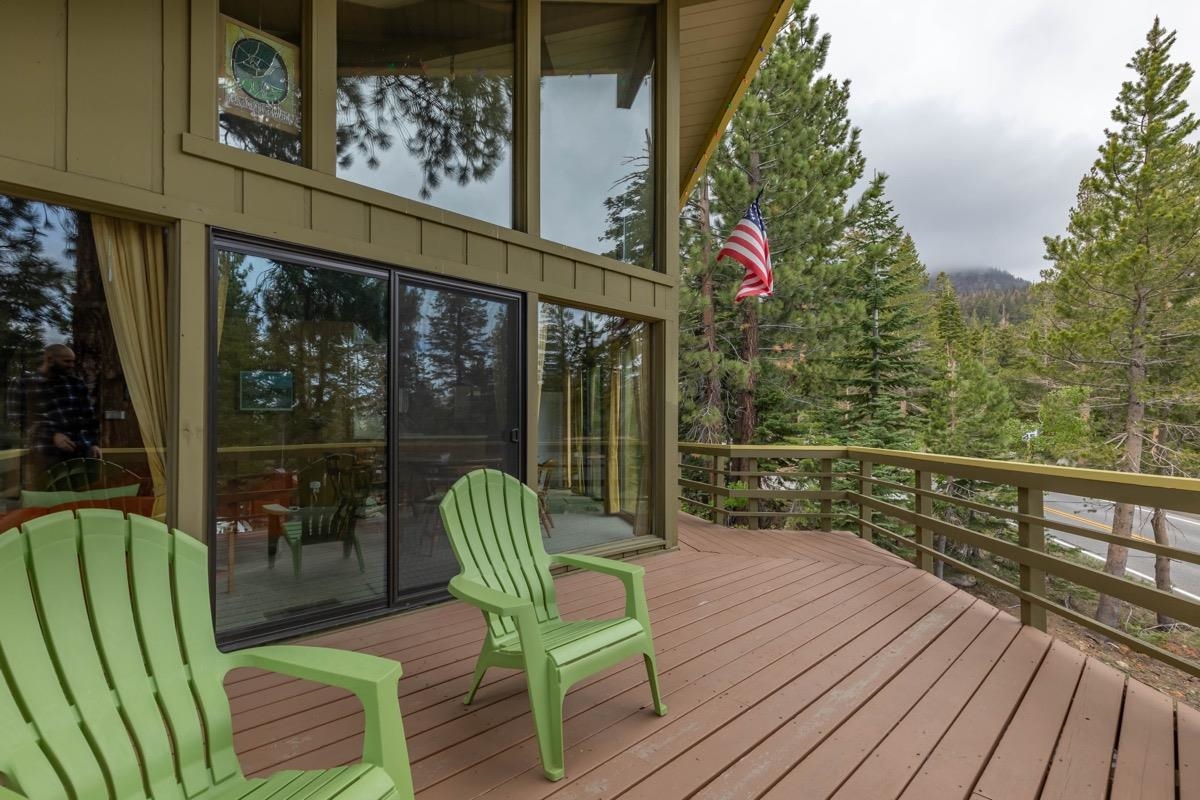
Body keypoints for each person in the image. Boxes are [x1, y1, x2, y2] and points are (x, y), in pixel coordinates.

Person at [22, 344, 102, 485]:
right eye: (66, 361)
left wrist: (93, 443)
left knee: (81, 498)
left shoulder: (76, 384)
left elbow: (88, 417)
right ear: (50, 359)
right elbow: (20, 419)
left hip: (79, 454)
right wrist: (52, 435)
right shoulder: (25, 384)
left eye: (72, 361)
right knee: (48, 497)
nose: (71, 365)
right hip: (46, 455)